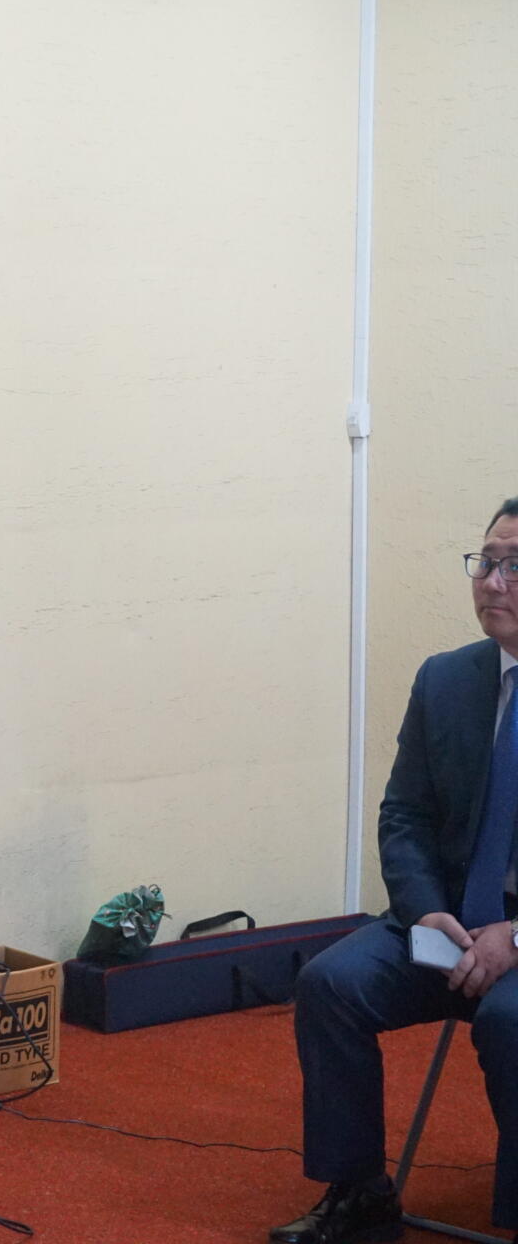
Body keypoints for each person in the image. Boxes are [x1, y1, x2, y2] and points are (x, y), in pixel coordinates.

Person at [273, 496, 518, 1244]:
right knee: (331, 984)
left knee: (510, 1020)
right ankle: (360, 1193)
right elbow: (404, 815)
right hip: (448, 924)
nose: (492, 582)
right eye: (486, 562)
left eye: (515, 567)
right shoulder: (446, 680)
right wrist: (424, 910)